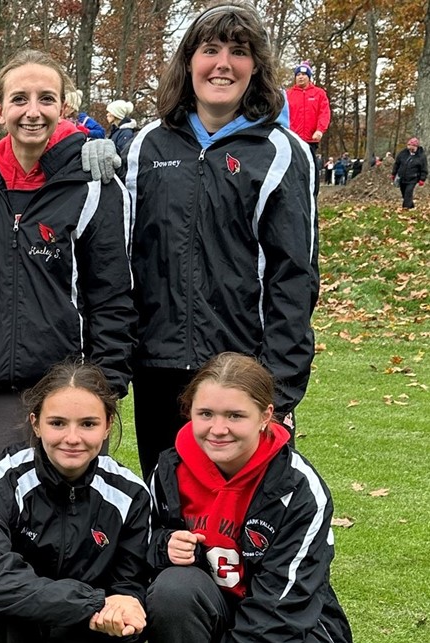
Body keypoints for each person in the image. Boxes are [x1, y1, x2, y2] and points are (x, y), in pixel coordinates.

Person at [123, 2, 318, 477]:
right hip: (158, 368)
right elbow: (119, 260)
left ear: (257, 66)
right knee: (169, 516)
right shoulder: (145, 146)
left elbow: (294, 276)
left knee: (241, 521)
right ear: (190, 60)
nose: (223, 64)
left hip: (240, 370)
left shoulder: (282, 152)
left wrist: (279, 386)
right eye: (210, 50)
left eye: (239, 51)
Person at [0, 49, 136, 475]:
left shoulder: (94, 185)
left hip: (68, 388)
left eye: (46, 99)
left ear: (64, 107)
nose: (32, 112)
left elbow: (112, 296)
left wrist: (104, 387)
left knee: (76, 509)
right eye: (19, 99)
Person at [146, 352, 352, 643]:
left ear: (265, 416)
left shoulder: (298, 488)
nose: (218, 430)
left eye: (235, 416)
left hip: (291, 626)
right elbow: (140, 549)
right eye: (205, 414)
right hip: (211, 611)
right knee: (174, 590)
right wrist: (163, 545)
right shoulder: (167, 471)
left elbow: (283, 605)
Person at [0, 360, 151, 642]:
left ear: (108, 426)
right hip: (27, 621)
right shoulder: (3, 479)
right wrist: (92, 602)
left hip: (88, 626)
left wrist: (120, 606)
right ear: (36, 424)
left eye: (88, 424)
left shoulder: (131, 494)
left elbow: (129, 585)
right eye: (57, 423)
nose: (72, 438)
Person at [286, 60, 329, 190]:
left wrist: (320, 130)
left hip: (310, 140)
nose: (300, 77)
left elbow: (324, 113)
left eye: (304, 74)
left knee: (310, 169)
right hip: (293, 140)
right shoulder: (288, 94)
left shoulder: (319, 93)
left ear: (309, 77)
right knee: (292, 169)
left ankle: (312, 195)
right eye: (298, 74)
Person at [391, 137, 427, 209]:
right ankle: (411, 206)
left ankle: (405, 209)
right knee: (404, 194)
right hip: (402, 177)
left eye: (412, 146)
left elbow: (424, 168)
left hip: (413, 178)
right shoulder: (403, 153)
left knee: (408, 193)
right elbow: (397, 164)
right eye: (409, 145)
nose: (410, 147)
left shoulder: (421, 156)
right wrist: (393, 174)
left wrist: (422, 179)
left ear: (416, 146)